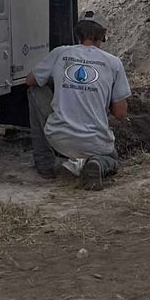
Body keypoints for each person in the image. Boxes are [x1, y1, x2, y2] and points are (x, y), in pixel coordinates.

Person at [26, 15, 131, 187]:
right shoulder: (113, 63)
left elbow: (30, 80)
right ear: (103, 34)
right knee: (111, 159)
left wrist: (61, 83)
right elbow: (120, 112)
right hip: (95, 143)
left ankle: (44, 164)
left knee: (34, 90)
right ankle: (96, 163)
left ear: (77, 33)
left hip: (58, 138)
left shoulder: (61, 53)